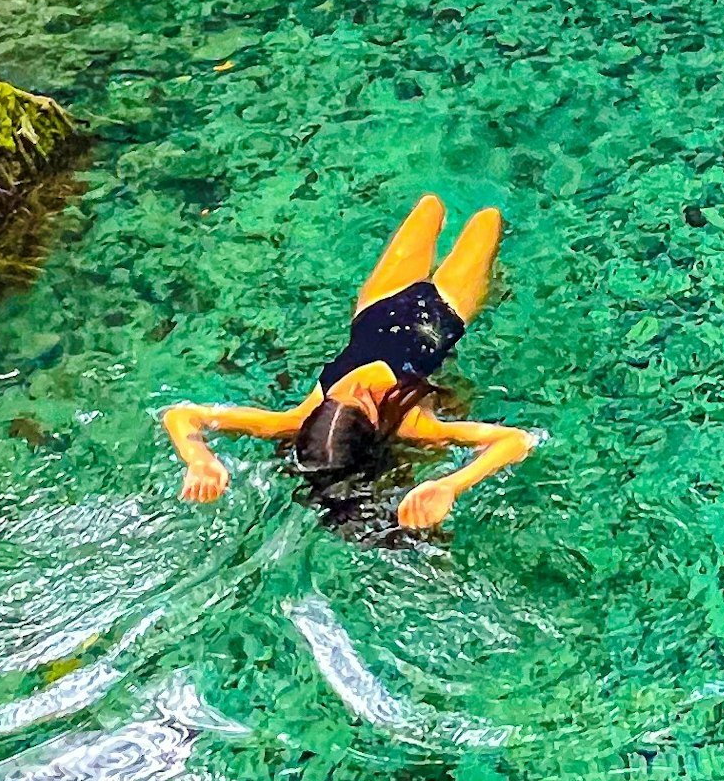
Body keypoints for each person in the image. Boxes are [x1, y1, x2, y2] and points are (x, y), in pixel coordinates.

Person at [161, 194, 538, 532]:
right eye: (363, 401)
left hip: (378, 303)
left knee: (431, 205)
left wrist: (200, 459)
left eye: (336, 396)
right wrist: (449, 485)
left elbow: (180, 415)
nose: (354, 386)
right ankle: (495, 287)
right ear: (375, 426)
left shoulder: (295, 418)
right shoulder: (413, 424)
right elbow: (517, 441)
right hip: (443, 311)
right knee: (488, 216)